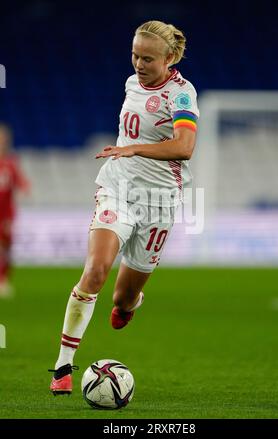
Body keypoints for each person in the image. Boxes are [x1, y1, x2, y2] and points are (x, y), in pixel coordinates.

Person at [49, 20, 199, 395]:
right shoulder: (132, 83)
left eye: (148, 58)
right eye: (134, 55)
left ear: (169, 59)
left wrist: (134, 147)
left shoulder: (181, 95)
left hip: (158, 201)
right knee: (96, 270)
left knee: (122, 298)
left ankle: (132, 302)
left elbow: (184, 148)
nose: (138, 64)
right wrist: (126, 154)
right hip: (117, 188)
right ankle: (62, 367)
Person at [0, 123, 30, 297]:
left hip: (6, 214)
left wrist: (25, 187)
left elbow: (20, 181)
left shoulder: (10, 163)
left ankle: (3, 280)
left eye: (3, 139)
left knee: (5, 248)